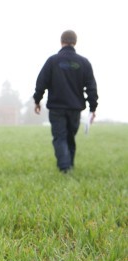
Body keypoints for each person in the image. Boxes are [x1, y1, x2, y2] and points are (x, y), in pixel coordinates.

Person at [33, 30, 98, 173]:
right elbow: (91, 87)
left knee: (60, 137)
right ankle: (68, 166)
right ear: (75, 42)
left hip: (56, 108)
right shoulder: (84, 62)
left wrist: (37, 100)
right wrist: (93, 108)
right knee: (69, 137)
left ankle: (65, 168)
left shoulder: (52, 61)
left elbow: (41, 83)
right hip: (75, 108)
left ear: (61, 41)